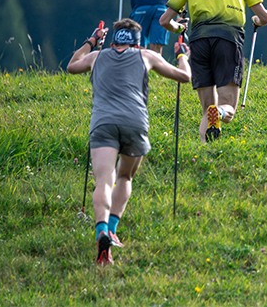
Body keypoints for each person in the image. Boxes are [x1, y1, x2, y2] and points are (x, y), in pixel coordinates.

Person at [67, 18, 191, 265]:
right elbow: (184, 77)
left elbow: (71, 66)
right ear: (138, 41)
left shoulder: (96, 57)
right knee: (124, 177)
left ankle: (101, 230)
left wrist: (92, 41)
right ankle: (112, 230)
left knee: (104, 181)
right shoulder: (147, 56)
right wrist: (182, 55)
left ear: (114, 39)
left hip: (103, 123)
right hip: (135, 122)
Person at [159, 0, 267, 144]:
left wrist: (178, 28)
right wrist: (257, 21)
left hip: (199, 42)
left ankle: (206, 151)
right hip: (228, 40)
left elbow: (164, 21)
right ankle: (219, 112)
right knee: (228, 106)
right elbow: (265, 17)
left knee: (207, 109)